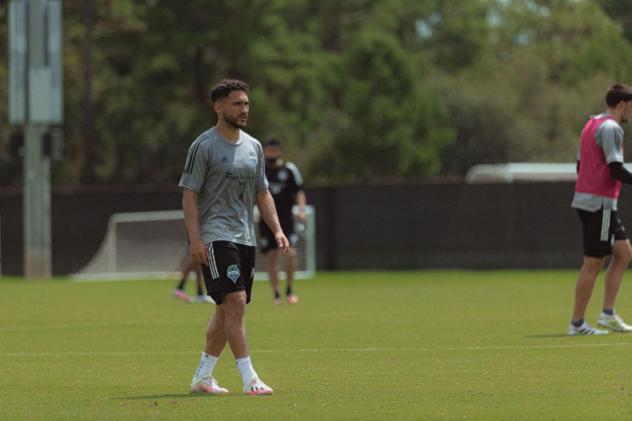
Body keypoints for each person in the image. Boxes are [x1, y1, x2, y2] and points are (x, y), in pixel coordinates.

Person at [179, 79, 289, 395]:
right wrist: (195, 240)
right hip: (215, 236)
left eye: (246, 104)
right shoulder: (204, 146)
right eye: (237, 103)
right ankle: (249, 378)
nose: (244, 109)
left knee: (227, 310)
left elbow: (262, 192)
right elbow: (189, 195)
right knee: (236, 302)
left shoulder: (254, 147)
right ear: (219, 106)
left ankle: (203, 376)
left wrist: (277, 229)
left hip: (245, 237)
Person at [569, 83, 632, 336]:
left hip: (594, 203)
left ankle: (607, 315)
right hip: (600, 206)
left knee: (624, 253)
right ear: (621, 104)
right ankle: (577, 324)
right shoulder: (611, 128)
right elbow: (615, 168)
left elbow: (579, 165)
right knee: (594, 262)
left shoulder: (592, 123)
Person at [259, 139, 307, 304]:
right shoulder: (260, 170)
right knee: (272, 257)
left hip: (286, 221)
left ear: (279, 151)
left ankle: (289, 289)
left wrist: (301, 210)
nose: (271, 153)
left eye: (274, 150)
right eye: (268, 150)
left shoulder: (289, 169)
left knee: (290, 254)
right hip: (267, 220)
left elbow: (299, 191)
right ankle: (276, 294)